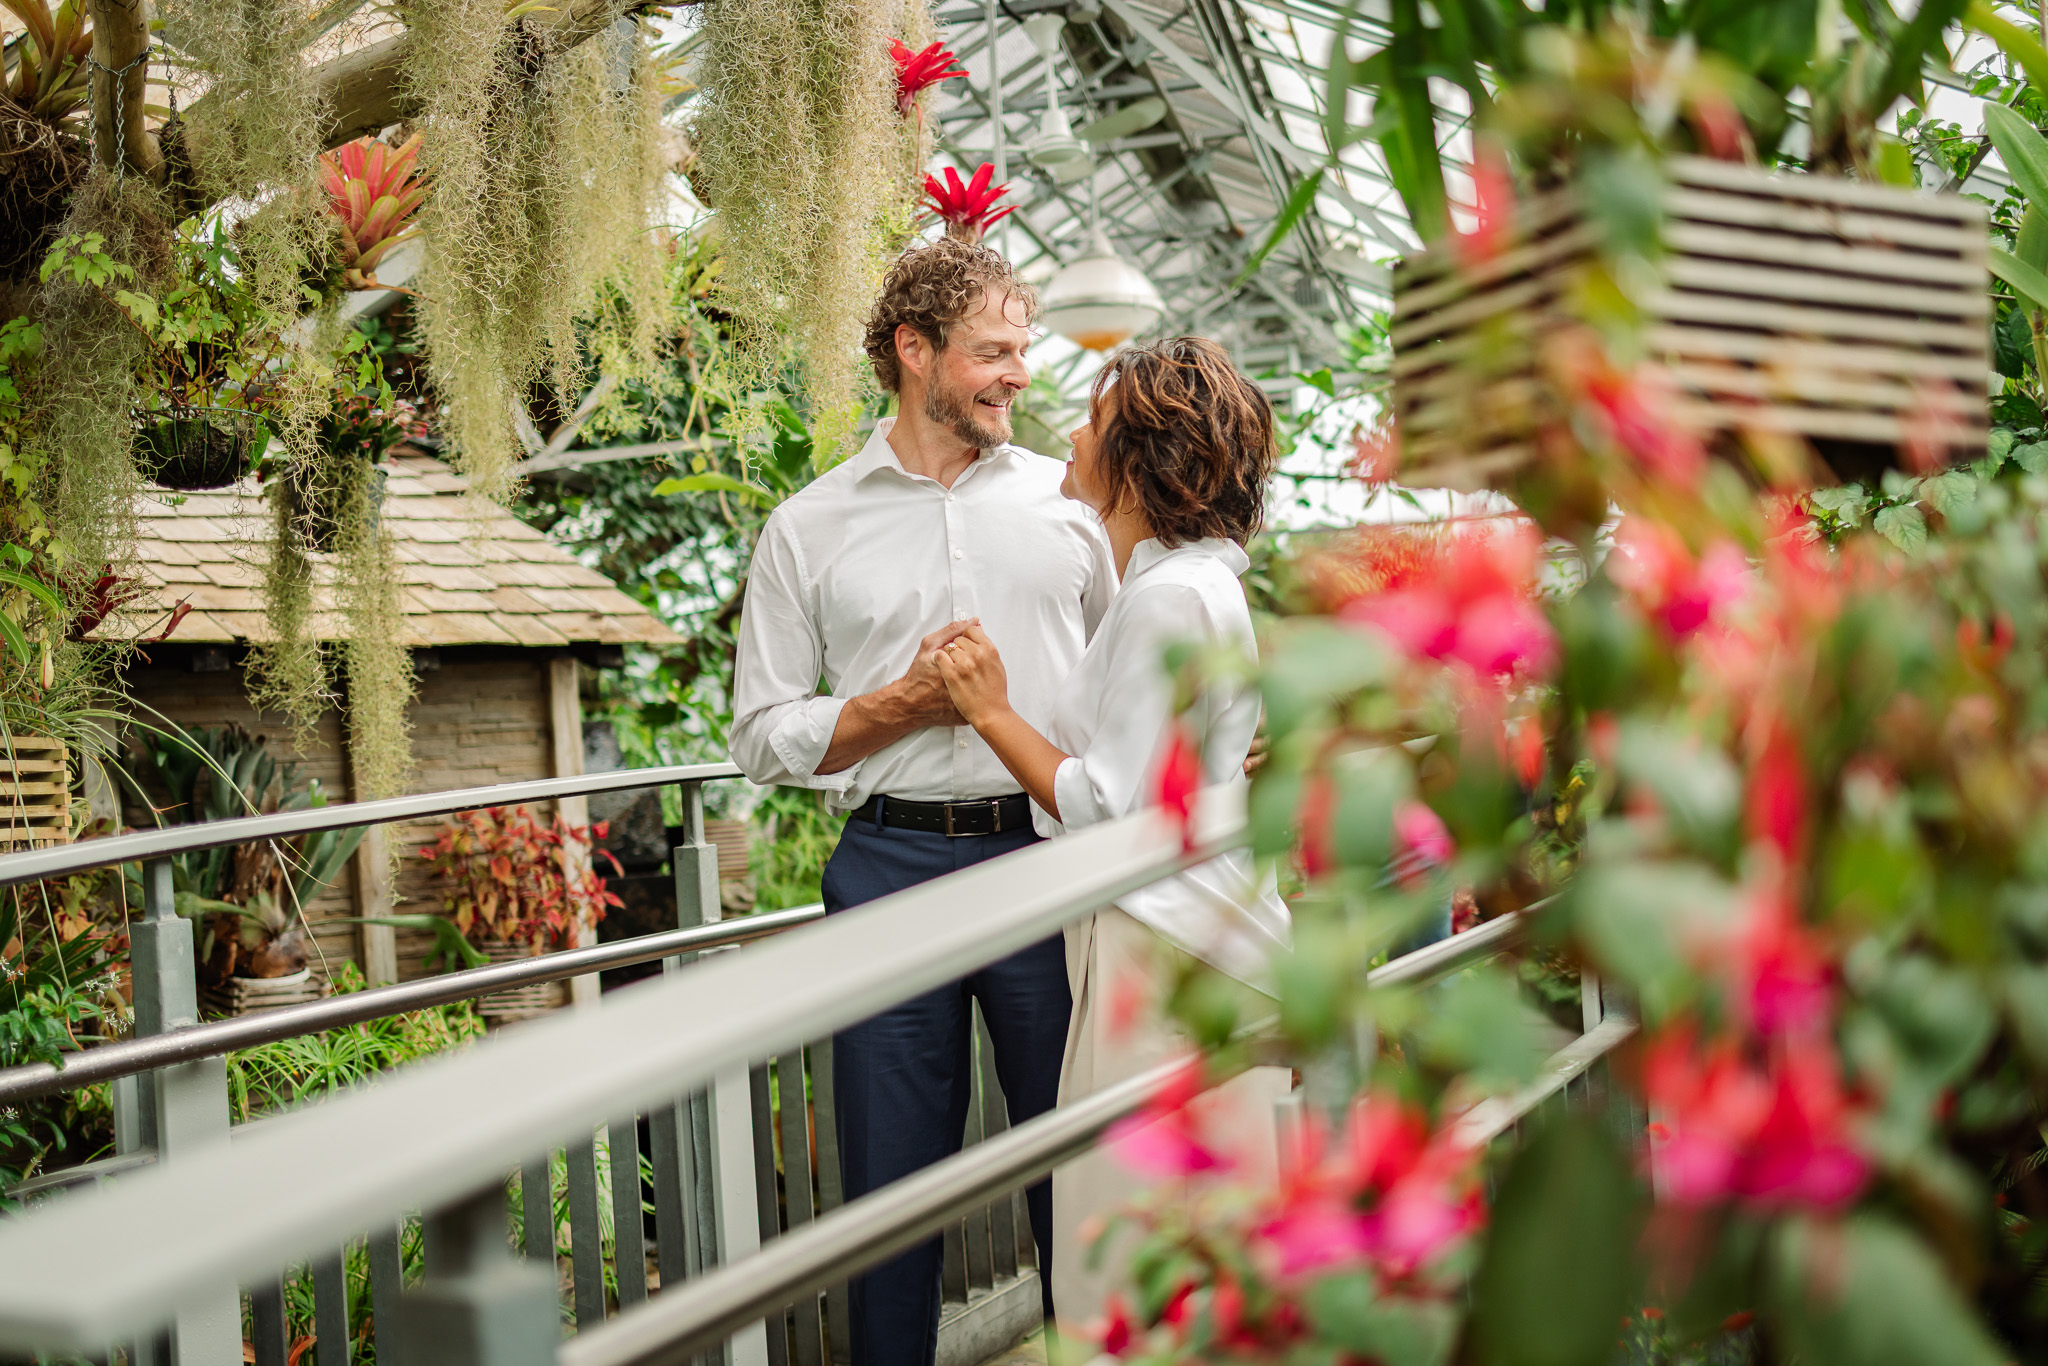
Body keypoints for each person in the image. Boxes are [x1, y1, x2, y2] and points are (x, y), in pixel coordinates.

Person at [728, 237, 1115, 1366]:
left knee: (1074, 1163)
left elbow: (1134, 672)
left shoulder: (1072, 503)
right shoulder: (809, 525)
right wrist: (898, 704)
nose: (1018, 374)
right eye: (993, 351)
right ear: (915, 351)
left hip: (1047, 860)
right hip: (887, 871)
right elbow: (759, 732)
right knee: (889, 1194)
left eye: (1021, 350)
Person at [932, 335, 1293, 1327]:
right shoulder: (1194, 585)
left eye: (1092, 419)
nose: (1071, 433)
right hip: (1193, 931)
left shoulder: (1168, 599)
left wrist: (987, 706)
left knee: (1131, 1236)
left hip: (1160, 945)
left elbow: (1107, 807)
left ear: (1138, 457)